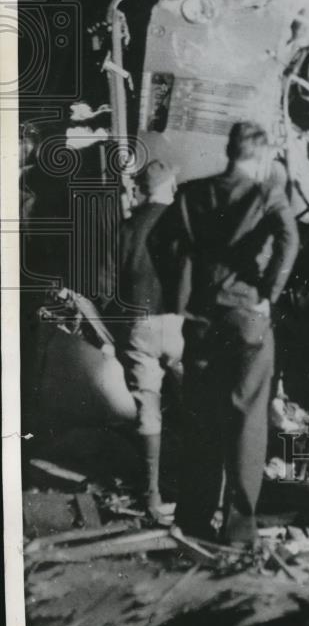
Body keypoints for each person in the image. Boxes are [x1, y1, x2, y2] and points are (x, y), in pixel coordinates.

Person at [157, 122, 300, 547]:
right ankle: (238, 529)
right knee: (247, 420)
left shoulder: (192, 193)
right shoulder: (266, 193)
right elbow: (290, 240)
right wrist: (268, 293)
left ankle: (194, 518)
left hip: (202, 316)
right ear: (259, 156)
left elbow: (161, 242)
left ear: (230, 151)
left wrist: (182, 292)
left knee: (200, 415)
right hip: (248, 317)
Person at [118, 160, 183, 520]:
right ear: (170, 187)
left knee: (148, 410)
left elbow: (109, 283)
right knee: (196, 403)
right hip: (179, 323)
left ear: (142, 189)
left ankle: (153, 495)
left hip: (140, 324)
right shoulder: (183, 222)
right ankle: (198, 488)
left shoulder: (128, 227)